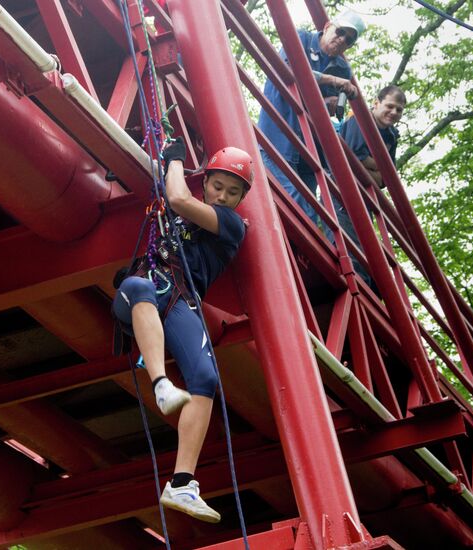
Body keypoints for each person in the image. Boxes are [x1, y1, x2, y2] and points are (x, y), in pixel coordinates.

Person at [112, 138, 250, 523]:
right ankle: (160, 384)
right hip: (144, 289)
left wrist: (174, 160)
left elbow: (177, 198)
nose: (222, 196)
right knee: (139, 287)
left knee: (205, 377)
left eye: (232, 192)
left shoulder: (231, 225)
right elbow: (170, 198)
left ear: (240, 199)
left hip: (180, 297)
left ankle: (183, 483)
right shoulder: (179, 208)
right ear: (205, 182)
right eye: (217, 186)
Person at [258, 10, 366, 225]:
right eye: (340, 32)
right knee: (301, 208)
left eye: (349, 40)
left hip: (309, 150)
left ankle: (299, 253)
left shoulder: (343, 68)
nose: (342, 39)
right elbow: (288, 71)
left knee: (310, 206)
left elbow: (328, 112)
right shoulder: (301, 38)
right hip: (278, 136)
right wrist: (332, 81)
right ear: (327, 27)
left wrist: (331, 104)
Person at [340, 85, 407, 187]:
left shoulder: (392, 136)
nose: (394, 112)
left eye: (399, 110)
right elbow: (353, 157)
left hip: (367, 194)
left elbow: (389, 177)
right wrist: (380, 167)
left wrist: (372, 167)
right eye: (389, 106)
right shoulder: (359, 118)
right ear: (376, 103)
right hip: (340, 185)